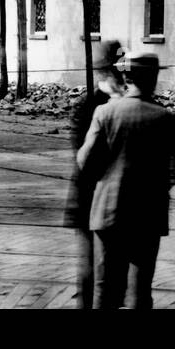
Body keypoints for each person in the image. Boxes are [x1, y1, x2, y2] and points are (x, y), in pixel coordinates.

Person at [77, 52, 175, 309]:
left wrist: (105, 179)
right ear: (154, 78)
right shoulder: (166, 118)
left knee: (105, 288)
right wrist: (154, 188)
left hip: (108, 211)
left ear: (126, 77)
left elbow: (85, 161)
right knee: (140, 289)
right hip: (148, 213)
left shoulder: (105, 113)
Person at [64, 39, 126, 309]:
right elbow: (85, 159)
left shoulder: (121, 106)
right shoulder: (90, 107)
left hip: (111, 203)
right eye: (117, 72)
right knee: (91, 272)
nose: (122, 78)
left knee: (110, 273)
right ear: (105, 73)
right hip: (90, 201)